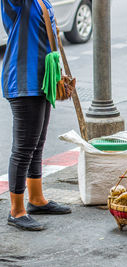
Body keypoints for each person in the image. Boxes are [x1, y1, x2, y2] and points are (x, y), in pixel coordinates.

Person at [1, 0, 71, 231]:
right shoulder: (18, 3)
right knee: (23, 149)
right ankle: (16, 211)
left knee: (36, 145)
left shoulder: (42, 1)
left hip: (43, 80)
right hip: (23, 81)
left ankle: (37, 200)